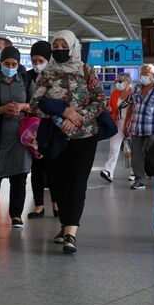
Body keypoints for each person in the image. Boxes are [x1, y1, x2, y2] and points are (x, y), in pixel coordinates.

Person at [30, 30, 105, 255]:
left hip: (84, 136)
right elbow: (35, 103)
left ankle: (71, 233)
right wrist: (62, 114)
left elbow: (99, 102)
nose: (60, 49)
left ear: (73, 47)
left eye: (64, 45)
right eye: (57, 45)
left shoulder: (86, 70)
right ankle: (65, 224)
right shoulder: (47, 74)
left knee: (77, 183)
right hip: (56, 136)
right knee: (59, 183)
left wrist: (78, 118)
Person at [0, 45, 33, 227]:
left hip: (20, 136)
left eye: (14, 63)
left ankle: (16, 214)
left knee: (20, 174)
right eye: (7, 63)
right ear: (0, 63)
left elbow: (36, 104)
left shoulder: (24, 79)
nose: (10, 67)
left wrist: (23, 107)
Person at [126, 62, 154, 191]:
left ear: (153, 76)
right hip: (136, 127)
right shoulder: (136, 89)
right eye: (141, 74)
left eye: (146, 74)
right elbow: (131, 105)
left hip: (153, 128)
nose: (143, 76)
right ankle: (140, 180)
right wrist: (127, 122)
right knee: (136, 155)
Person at [26, 40, 57, 219]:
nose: (37, 65)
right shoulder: (27, 76)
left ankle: (56, 203)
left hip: (51, 127)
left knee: (53, 167)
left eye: (40, 60)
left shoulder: (56, 77)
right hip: (32, 129)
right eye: (34, 61)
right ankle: (39, 205)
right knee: (36, 168)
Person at [99, 73, 133, 183]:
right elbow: (111, 106)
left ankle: (134, 172)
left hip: (131, 123)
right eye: (116, 81)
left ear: (127, 82)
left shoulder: (134, 93)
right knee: (114, 148)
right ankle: (109, 171)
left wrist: (129, 124)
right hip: (116, 122)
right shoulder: (114, 93)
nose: (117, 83)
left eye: (120, 81)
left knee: (133, 150)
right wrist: (109, 108)